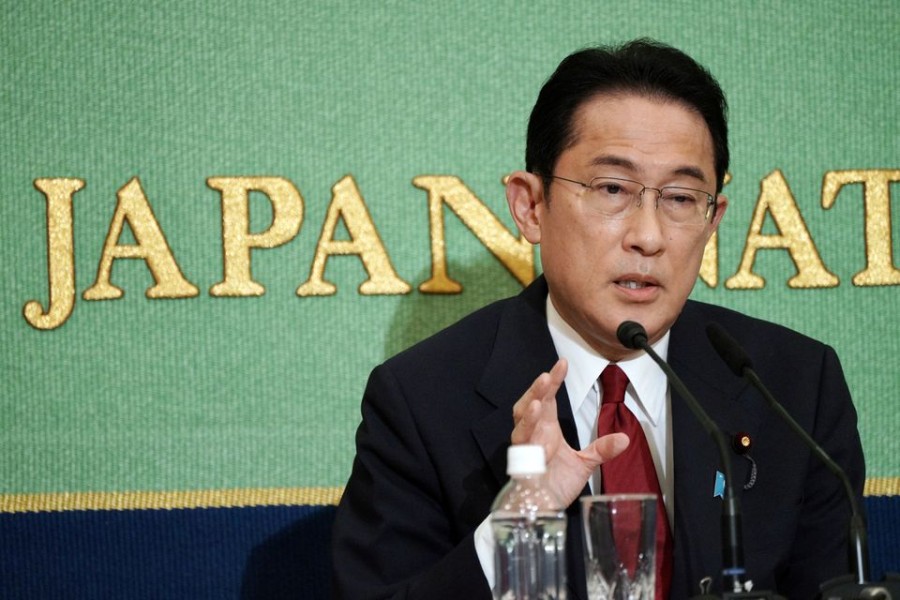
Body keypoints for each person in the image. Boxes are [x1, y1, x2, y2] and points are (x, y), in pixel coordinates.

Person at [330, 39, 865, 600]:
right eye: (613, 189)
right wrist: (517, 525)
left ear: (713, 220)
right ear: (530, 206)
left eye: (682, 198)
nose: (649, 237)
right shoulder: (420, 400)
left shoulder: (794, 387)